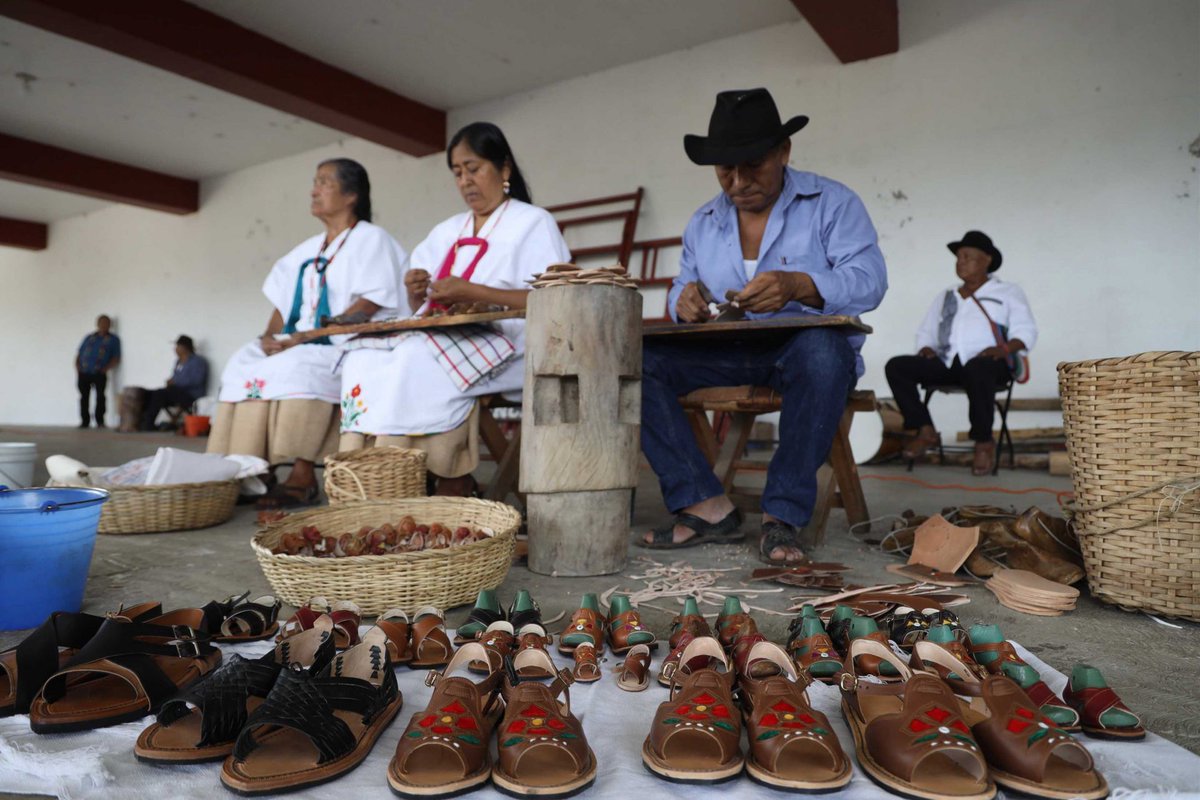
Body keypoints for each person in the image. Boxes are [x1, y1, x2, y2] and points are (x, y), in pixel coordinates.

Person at [639, 88, 887, 565]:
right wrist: (682, 300)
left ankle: (782, 516)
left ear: (784, 152)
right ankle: (705, 505)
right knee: (634, 362)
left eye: (752, 165)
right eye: (724, 171)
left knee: (823, 352)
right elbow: (681, 284)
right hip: (729, 347)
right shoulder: (703, 222)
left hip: (804, 346)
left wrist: (801, 285)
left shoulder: (831, 203)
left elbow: (871, 282)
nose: (737, 182)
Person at [337, 122, 570, 496]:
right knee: (361, 356)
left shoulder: (533, 223)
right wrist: (416, 292)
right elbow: (423, 305)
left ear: (504, 169)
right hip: (451, 338)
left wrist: (470, 290)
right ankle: (367, 474)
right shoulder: (447, 230)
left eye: (474, 168)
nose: (465, 181)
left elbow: (554, 299)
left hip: (515, 343)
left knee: (417, 355)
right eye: (457, 173)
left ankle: (447, 476)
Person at [207, 159, 405, 507]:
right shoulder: (306, 248)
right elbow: (282, 307)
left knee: (298, 363)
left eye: (324, 182)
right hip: (299, 341)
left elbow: (370, 304)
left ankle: (301, 474)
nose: (314, 191)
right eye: (315, 182)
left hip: (347, 340)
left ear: (351, 195)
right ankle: (254, 469)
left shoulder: (372, 239)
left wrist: (310, 336)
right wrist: (270, 339)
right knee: (244, 360)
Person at [885, 230, 1037, 475]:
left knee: (978, 368)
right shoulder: (947, 295)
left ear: (987, 260)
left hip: (990, 364)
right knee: (897, 366)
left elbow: (1026, 330)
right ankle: (925, 430)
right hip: (949, 363)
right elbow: (926, 331)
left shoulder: (1007, 292)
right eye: (958, 258)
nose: (960, 262)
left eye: (967, 256)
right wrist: (925, 348)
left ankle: (983, 442)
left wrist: (1004, 348)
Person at [138, 335, 209, 431]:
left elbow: (197, 380)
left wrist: (175, 382)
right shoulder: (178, 361)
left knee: (160, 394)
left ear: (184, 347)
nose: (175, 349)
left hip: (191, 395)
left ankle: (149, 424)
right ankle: (142, 422)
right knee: (150, 394)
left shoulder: (198, 361)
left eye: (177, 346)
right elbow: (176, 377)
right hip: (176, 392)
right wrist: (171, 381)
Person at [75, 314, 121, 428]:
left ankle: (100, 421)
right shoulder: (89, 338)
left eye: (107, 323)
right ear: (97, 324)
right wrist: (78, 367)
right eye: (102, 323)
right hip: (84, 372)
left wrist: (106, 368)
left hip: (99, 372)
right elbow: (80, 353)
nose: (104, 325)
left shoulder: (113, 340)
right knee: (84, 397)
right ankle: (84, 421)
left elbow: (116, 357)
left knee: (100, 397)